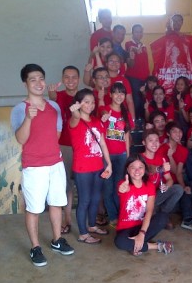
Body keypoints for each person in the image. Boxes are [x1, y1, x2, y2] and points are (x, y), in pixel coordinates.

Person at [11, 64, 74, 267]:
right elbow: (21, 139)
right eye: (33, 79)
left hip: (55, 163)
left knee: (56, 202)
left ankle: (57, 240)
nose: (38, 83)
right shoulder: (20, 109)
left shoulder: (53, 107)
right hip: (34, 166)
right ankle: (35, 247)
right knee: (35, 208)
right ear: (25, 83)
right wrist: (29, 118)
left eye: (41, 79)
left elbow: (55, 135)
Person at [68, 88, 112, 244]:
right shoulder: (75, 120)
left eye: (92, 102)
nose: (90, 105)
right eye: (86, 102)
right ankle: (83, 234)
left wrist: (109, 164)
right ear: (78, 103)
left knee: (95, 199)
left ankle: (92, 226)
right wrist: (75, 111)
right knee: (85, 200)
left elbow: (103, 143)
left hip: (98, 166)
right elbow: (75, 116)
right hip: (82, 169)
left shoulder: (97, 121)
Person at [114, 154, 174, 255]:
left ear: (145, 169)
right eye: (133, 167)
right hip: (125, 228)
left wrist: (142, 233)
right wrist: (122, 189)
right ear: (128, 170)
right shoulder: (123, 184)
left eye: (140, 167)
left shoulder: (149, 186)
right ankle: (156, 246)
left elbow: (149, 210)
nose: (137, 171)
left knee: (163, 217)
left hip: (143, 226)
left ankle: (135, 246)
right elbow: (122, 189)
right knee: (119, 242)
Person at [47, 65, 80, 234]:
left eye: (74, 77)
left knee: (84, 184)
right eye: (66, 77)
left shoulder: (83, 97)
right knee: (65, 184)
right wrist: (52, 97)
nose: (70, 80)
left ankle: (89, 220)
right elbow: (51, 114)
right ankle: (67, 219)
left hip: (82, 146)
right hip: (64, 146)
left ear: (79, 79)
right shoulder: (57, 96)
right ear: (62, 78)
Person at [158, 122, 192, 232]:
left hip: (177, 179)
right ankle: (187, 219)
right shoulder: (161, 149)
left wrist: (184, 186)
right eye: (174, 131)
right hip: (166, 184)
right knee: (182, 189)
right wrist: (170, 156)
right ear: (168, 134)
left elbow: (177, 172)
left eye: (179, 131)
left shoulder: (182, 150)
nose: (178, 134)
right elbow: (170, 172)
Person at [100, 82, 134, 227]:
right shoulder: (105, 110)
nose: (119, 96)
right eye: (116, 93)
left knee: (118, 187)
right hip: (106, 157)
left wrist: (127, 156)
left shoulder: (126, 113)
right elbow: (100, 128)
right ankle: (113, 216)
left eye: (122, 93)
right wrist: (103, 118)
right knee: (107, 188)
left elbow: (126, 136)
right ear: (110, 94)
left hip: (121, 155)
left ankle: (120, 215)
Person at [141, 129, 184, 229]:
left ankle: (162, 215)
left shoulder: (161, 158)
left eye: (157, 140)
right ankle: (154, 214)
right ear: (144, 142)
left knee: (178, 189)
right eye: (151, 140)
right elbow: (148, 168)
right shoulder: (139, 158)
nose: (154, 143)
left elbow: (169, 179)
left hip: (157, 195)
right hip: (144, 197)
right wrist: (160, 168)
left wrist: (166, 186)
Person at [125, 24, 150, 122]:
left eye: (140, 31)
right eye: (136, 31)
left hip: (144, 78)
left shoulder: (144, 46)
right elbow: (131, 49)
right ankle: (134, 122)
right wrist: (135, 49)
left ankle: (142, 121)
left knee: (144, 100)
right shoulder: (129, 44)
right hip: (133, 78)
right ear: (132, 33)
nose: (138, 33)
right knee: (136, 101)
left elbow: (145, 63)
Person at [106, 52, 136, 120]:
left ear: (120, 64)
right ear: (106, 63)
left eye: (117, 61)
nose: (114, 63)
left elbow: (129, 101)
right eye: (111, 61)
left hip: (121, 116)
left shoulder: (124, 80)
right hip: (105, 115)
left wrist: (133, 119)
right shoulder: (102, 79)